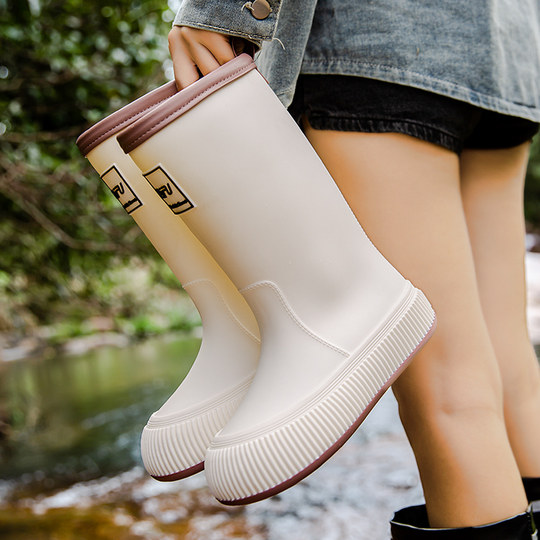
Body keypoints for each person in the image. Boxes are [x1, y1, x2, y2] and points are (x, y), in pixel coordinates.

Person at [166, 0, 540, 536]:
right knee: (511, 369)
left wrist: (224, 10)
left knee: (448, 392)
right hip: (505, 57)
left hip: (378, 44)